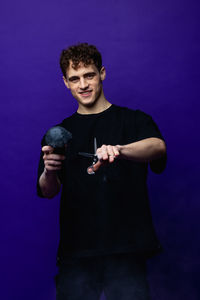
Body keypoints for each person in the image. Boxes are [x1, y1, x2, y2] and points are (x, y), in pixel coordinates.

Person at [37, 43, 167, 300]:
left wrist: (119, 149)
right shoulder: (58, 133)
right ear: (66, 82)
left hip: (126, 249)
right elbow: (48, 190)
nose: (83, 85)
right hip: (76, 252)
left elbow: (158, 147)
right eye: (75, 79)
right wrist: (49, 172)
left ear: (102, 73)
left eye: (89, 75)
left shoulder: (133, 120)